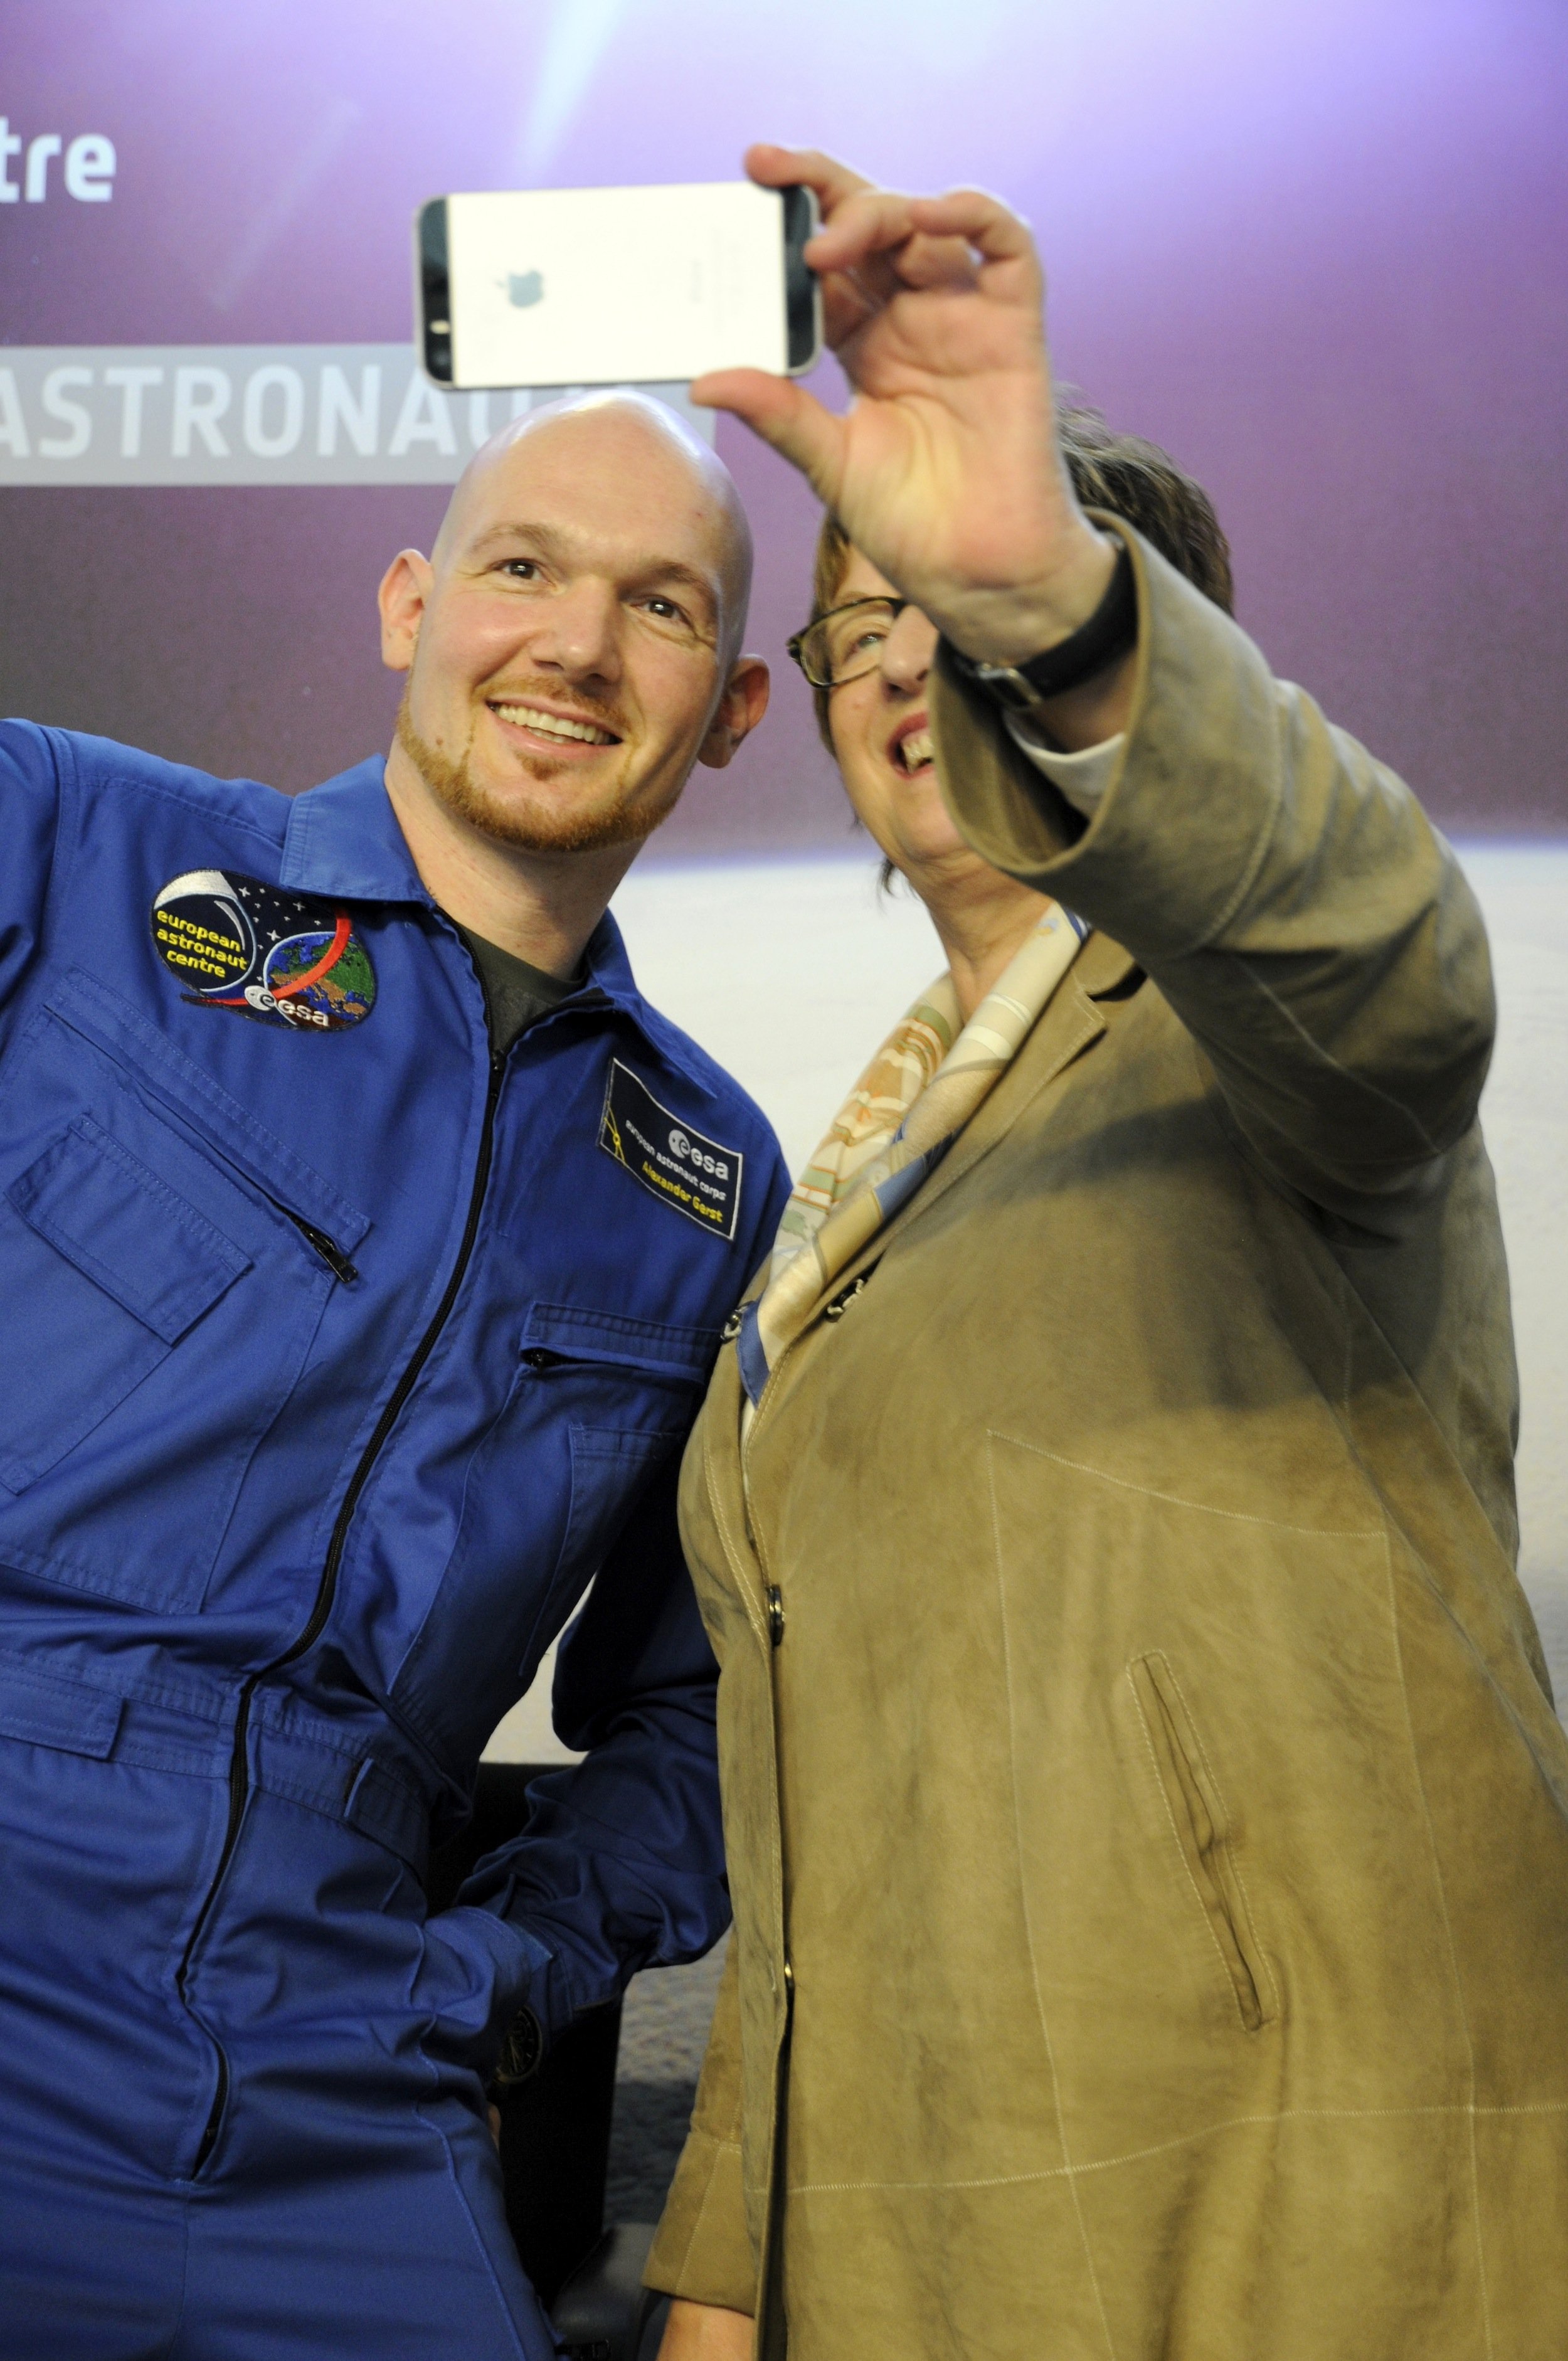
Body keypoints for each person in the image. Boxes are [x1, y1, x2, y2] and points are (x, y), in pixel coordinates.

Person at [647, 147, 1568, 2358]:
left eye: (954, 615)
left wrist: (1048, 602)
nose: (905, 667)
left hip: (1292, 2214)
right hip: (907, 2233)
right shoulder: (827, 1195)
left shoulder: (1259, 1023)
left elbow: (1374, 950)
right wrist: (715, 2265)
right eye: (858, 625)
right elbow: (814, 1819)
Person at [0, 389, 790, 2359]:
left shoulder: (705, 1175)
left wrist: (515, 1965)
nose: (579, 648)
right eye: (523, 567)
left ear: (737, 706)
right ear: (408, 603)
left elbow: (707, 1709)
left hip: (336, 2047)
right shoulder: (73, 848)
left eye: (662, 606)